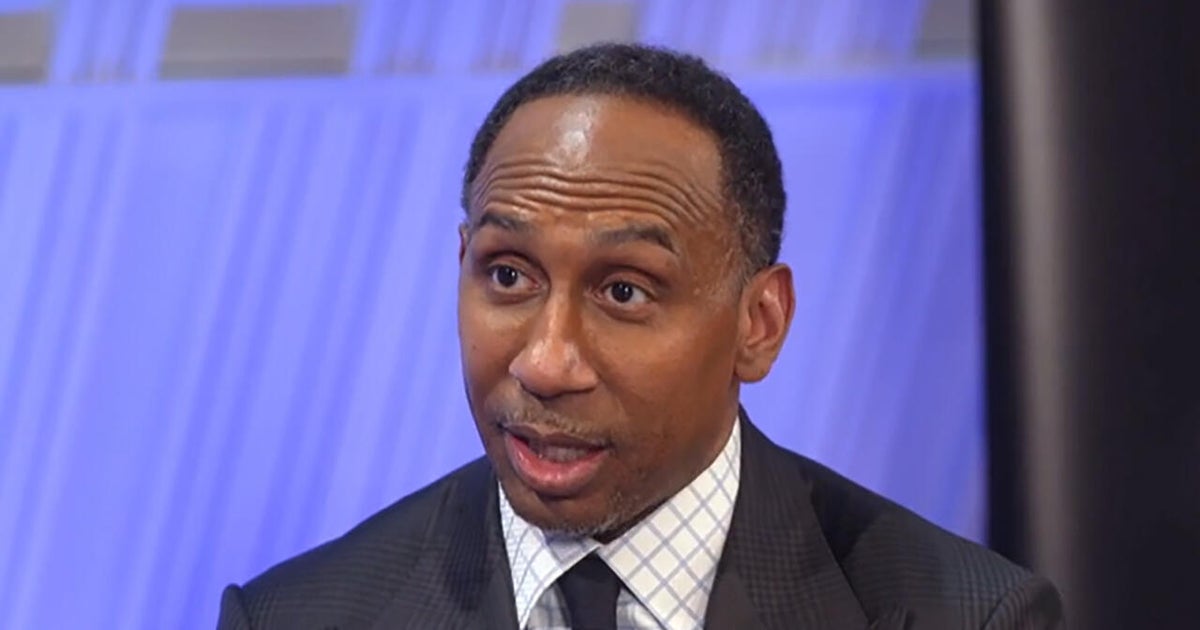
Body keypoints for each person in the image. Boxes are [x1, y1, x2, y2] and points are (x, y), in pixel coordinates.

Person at [216, 43, 1062, 629]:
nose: (546, 362)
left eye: (624, 291)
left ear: (759, 324)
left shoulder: (967, 617)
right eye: (507, 275)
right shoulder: (295, 619)